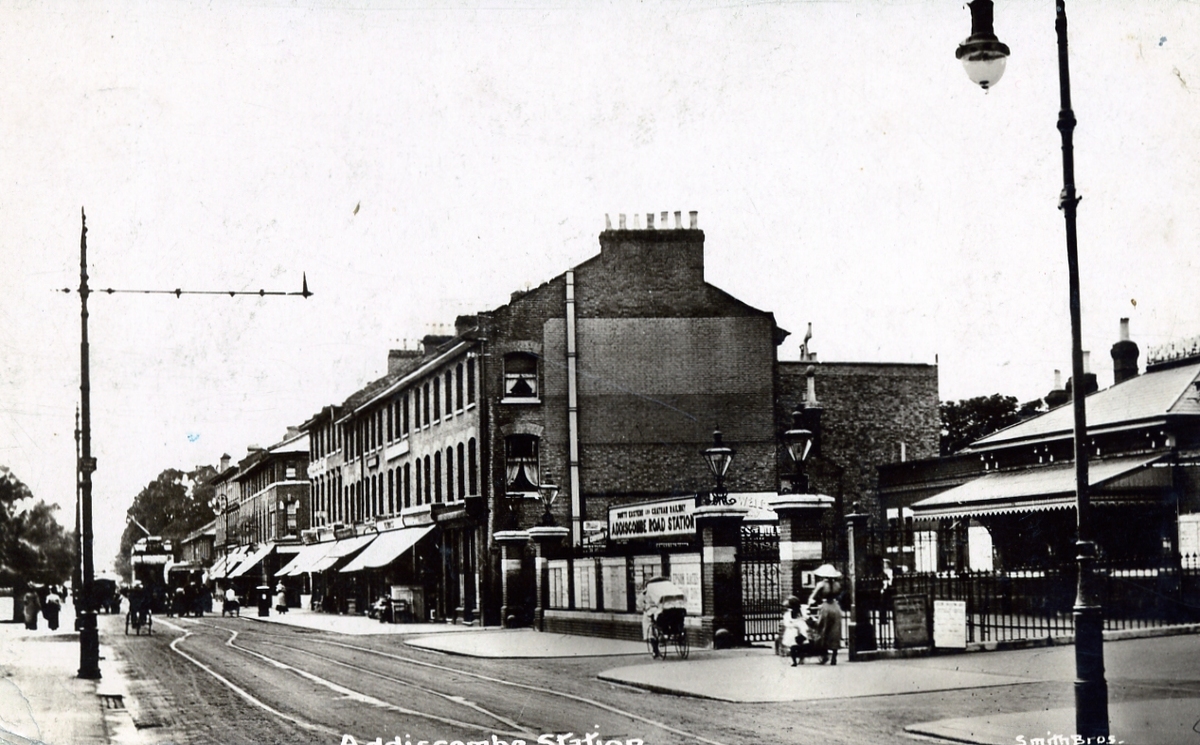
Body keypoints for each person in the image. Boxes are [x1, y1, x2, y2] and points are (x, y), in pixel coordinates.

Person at [815, 594, 844, 665]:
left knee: (823, 641)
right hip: (836, 626)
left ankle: (825, 657)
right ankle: (834, 658)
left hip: (827, 627)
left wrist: (818, 624)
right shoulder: (837, 606)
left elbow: (822, 618)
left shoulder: (825, 606)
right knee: (835, 643)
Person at [780, 595, 808, 666]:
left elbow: (786, 623)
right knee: (798, 646)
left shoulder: (789, 614)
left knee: (794, 646)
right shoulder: (800, 613)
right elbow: (805, 619)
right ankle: (798, 659)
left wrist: (794, 625)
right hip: (797, 631)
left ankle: (795, 660)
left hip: (794, 631)